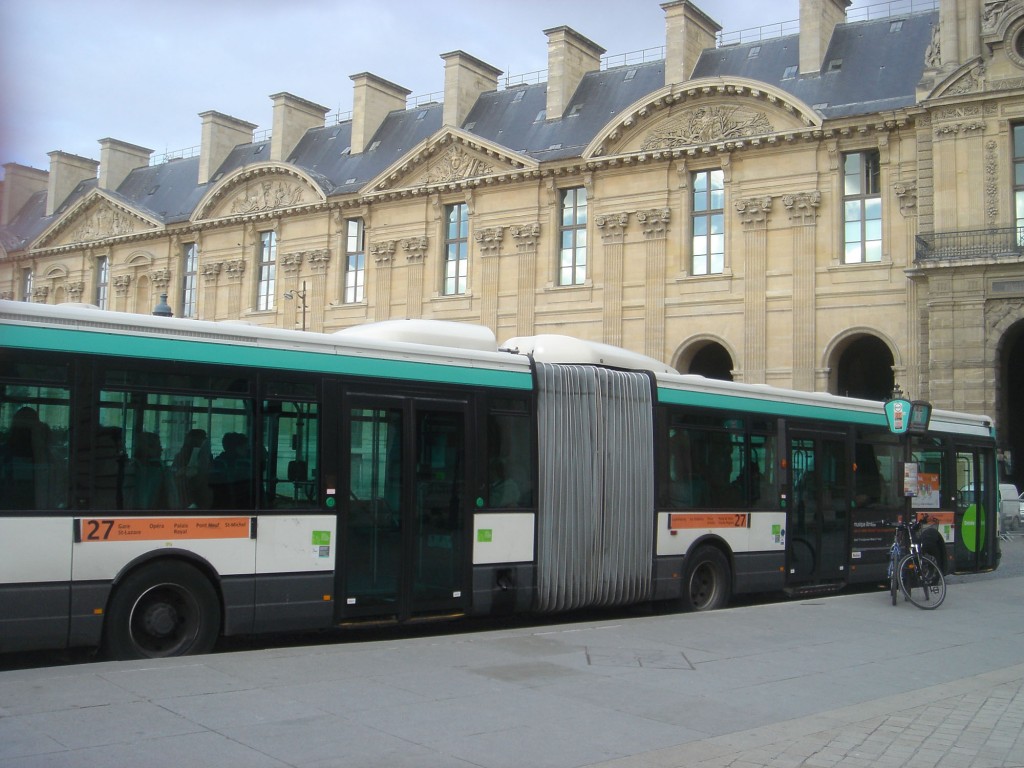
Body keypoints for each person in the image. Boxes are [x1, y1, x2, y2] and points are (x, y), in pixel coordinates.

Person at [0, 407, 50, 509]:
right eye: (22, 429)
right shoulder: (46, 456)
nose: (24, 434)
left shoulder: (45, 456)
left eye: (28, 429)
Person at [124, 431, 177, 509]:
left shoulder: (129, 469)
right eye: (158, 446)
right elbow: (173, 503)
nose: (161, 449)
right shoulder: (160, 473)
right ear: (148, 449)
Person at [210, 432, 253, 508]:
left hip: (218, 503)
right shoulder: (244, 464)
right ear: (237, 448)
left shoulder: (217, 461)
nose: (247, 451)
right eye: (245, 448)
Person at [173, 429, 212, 509]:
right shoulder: (182, 456)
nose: (203, 441)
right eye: (202, 438)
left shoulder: (205, 455)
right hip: (188, 493)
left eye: (204, 439)